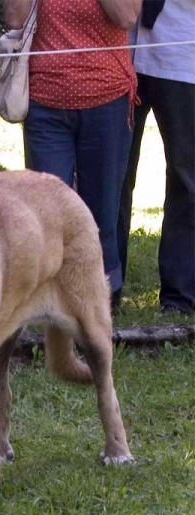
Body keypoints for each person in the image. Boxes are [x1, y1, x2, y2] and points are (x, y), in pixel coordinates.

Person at [4, 0, 142, 303]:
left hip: (107, 99)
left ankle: (103, 301)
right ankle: (55, 303)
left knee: (101, 212)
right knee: (48, 214)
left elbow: (127, 17)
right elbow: (15, 18)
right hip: (45, 104)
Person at [117, 0, 194, 314]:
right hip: (117, 53)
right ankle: (104, 290)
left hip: (182, 54)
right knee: (112, 177)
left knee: (187, 182)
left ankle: (179, 298)